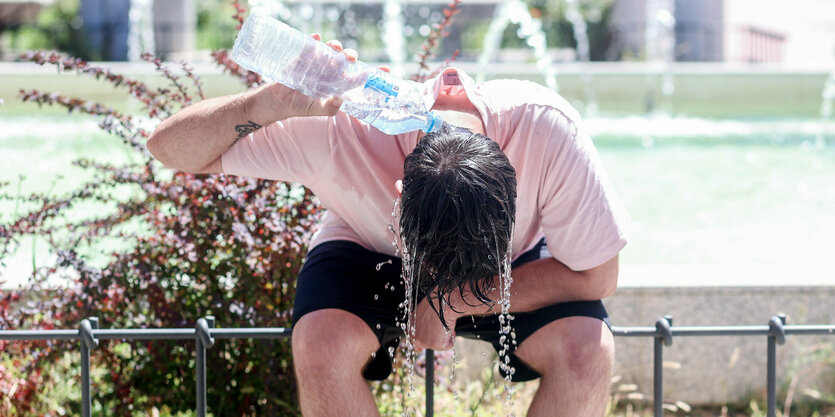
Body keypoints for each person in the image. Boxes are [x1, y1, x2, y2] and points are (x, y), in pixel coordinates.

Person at [147, 37, 628, 417]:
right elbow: (168, 148)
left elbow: (595, 277)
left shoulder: (549, 132)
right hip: (368, 249)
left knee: (586, 351)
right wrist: (265, 105)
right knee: (321, 343)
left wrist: (455, 298)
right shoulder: (340, 127)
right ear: (399, 199)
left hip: (504, 269)